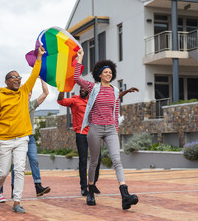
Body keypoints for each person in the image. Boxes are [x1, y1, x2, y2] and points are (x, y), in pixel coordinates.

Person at [74, 49, 139, 210]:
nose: (108, 74)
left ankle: (125, 194)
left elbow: (116, 112)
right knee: (94, 162)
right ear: (100, 74)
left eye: (110, 72)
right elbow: (76, 78)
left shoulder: (115, 91)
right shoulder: (92, 87)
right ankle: (90, 191)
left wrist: (115, 130)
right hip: (95, 128)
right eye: (106, 72)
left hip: (110, 129)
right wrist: (80, 58)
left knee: (117, 160)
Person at [0, 46, 45, 213]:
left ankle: (16, 202)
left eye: (19, 77)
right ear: (6, 81)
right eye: (13, 77)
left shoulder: (23, 92)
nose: (17, 80)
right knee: (3, 172)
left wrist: (39, 57)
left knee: (20, 169)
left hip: (22, 138)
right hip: (4, 140)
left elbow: (34, 75)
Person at [57, 87, 102, 196]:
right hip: (81, 134)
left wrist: (124, 92)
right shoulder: (74, 99)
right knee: (83, 161)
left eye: (84, 88)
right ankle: (83, 187)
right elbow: (61, 101)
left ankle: (93, 183)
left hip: (93, 134)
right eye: (81, 88)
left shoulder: (92, 101)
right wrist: (62, 89)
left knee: (97, 160)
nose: (82, 90)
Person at [11, 78, 51, 197]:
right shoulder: (15, 104)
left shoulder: (32, 105)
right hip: (17, 137)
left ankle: (38, 186)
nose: (28, 94)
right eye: (26, 91)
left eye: (30, 92)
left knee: (34, 160)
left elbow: (45, 93)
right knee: (17, 164)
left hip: (30, 138)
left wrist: (43, 80)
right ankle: (14, 188)